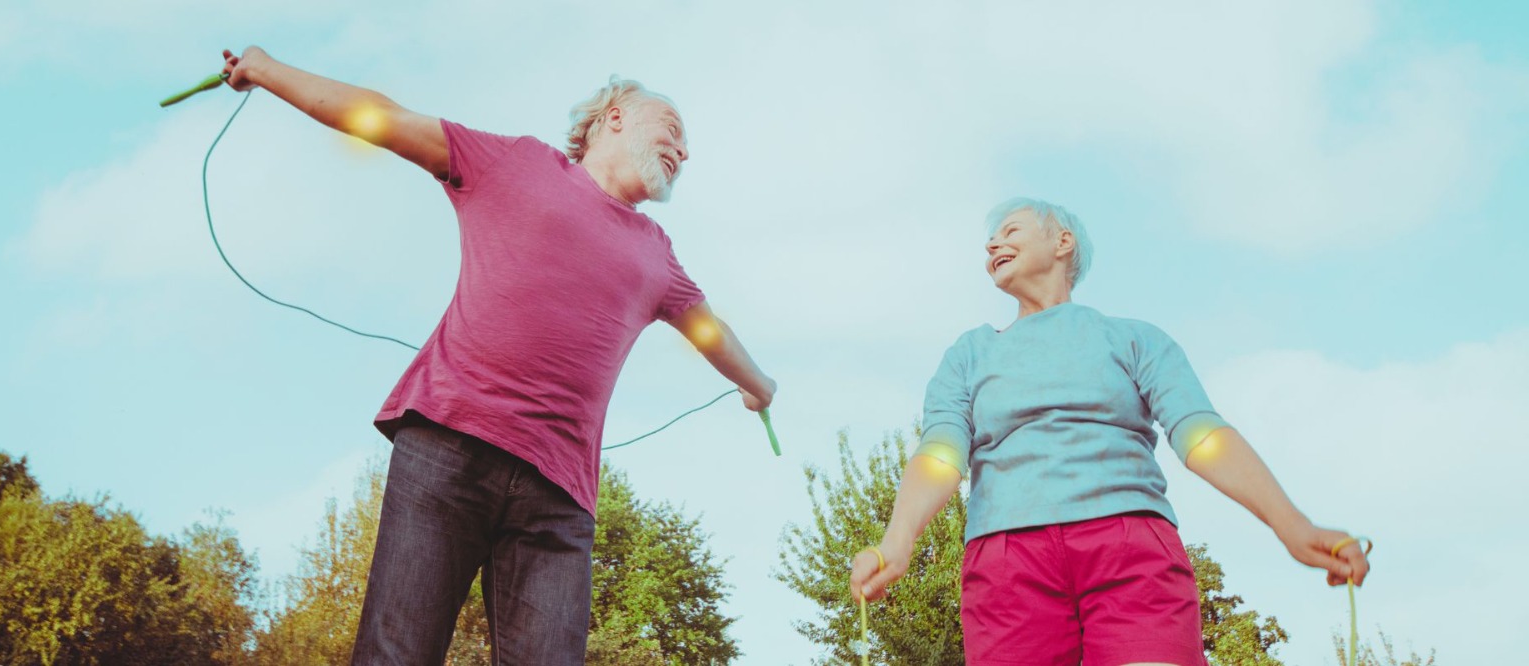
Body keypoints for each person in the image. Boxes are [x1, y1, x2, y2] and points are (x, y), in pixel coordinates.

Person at [220, 47, 777, 665]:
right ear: (615, 117)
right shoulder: (516, 164)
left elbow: (711, 333)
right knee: (396, 653)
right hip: (447, 448)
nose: (684, 151)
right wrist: (263, 69)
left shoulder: (657, 253)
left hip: (558, 500)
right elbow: (382, 117)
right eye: (672, 129)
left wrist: (759, 385)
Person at [848, 197, 1369, 666]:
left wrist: (1291, 525)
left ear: (1062, 242)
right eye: (990, 239)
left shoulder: (1135, 340)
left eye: (1010, 230)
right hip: (1008, 560)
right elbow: (940, 455)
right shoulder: (969, 354)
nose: (992, 244)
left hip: (1130, 546)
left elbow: (1203, 436)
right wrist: (898, 540)